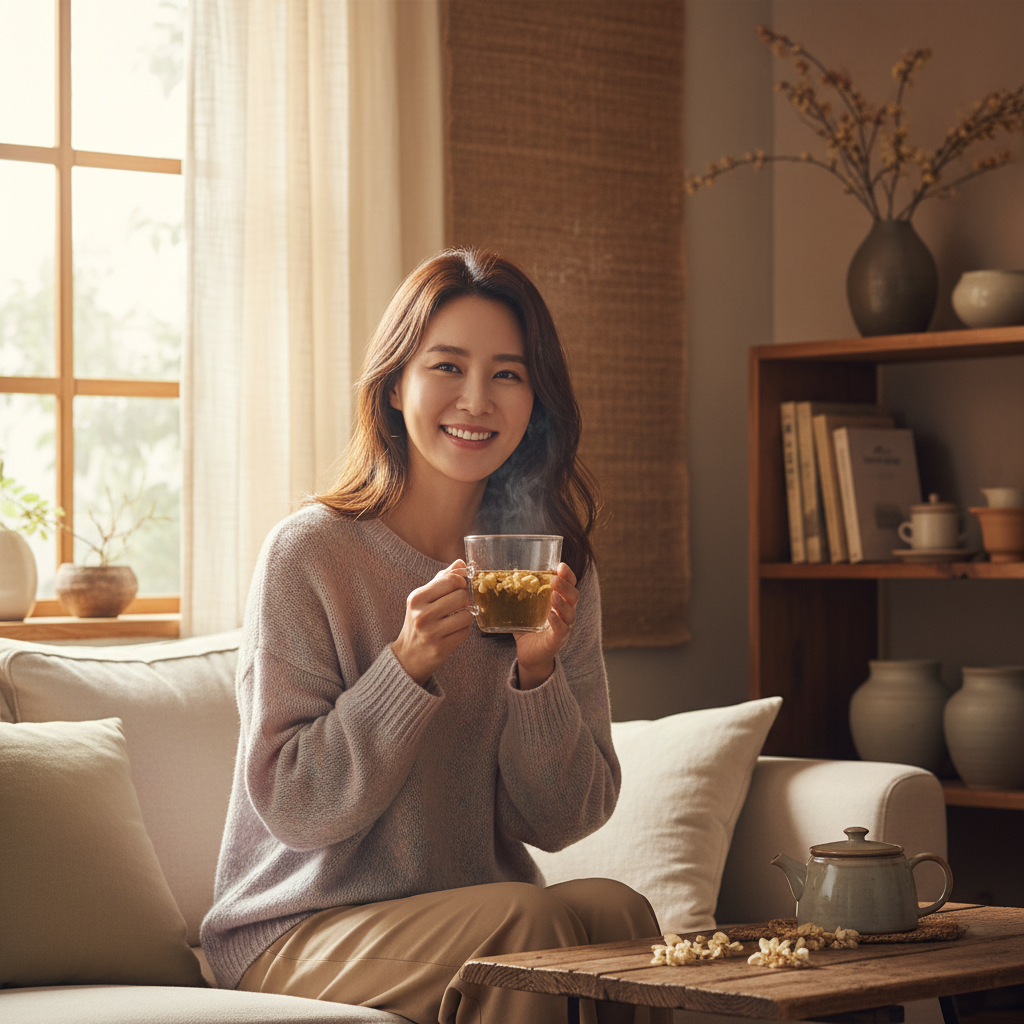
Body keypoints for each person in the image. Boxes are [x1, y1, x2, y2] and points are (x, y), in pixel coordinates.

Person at [200, 248, 668, 1024]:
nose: (476, 400)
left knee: (618, 915)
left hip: (460, 910)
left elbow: (565, 820)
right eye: (447, 366)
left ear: (535, 401)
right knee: (530, 922)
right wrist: (405, 668)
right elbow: (293, 804)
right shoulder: (311, 553)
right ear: (395, 386)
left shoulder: (551, 566)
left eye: (508, 374)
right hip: (296, 926)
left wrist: (538, 677)